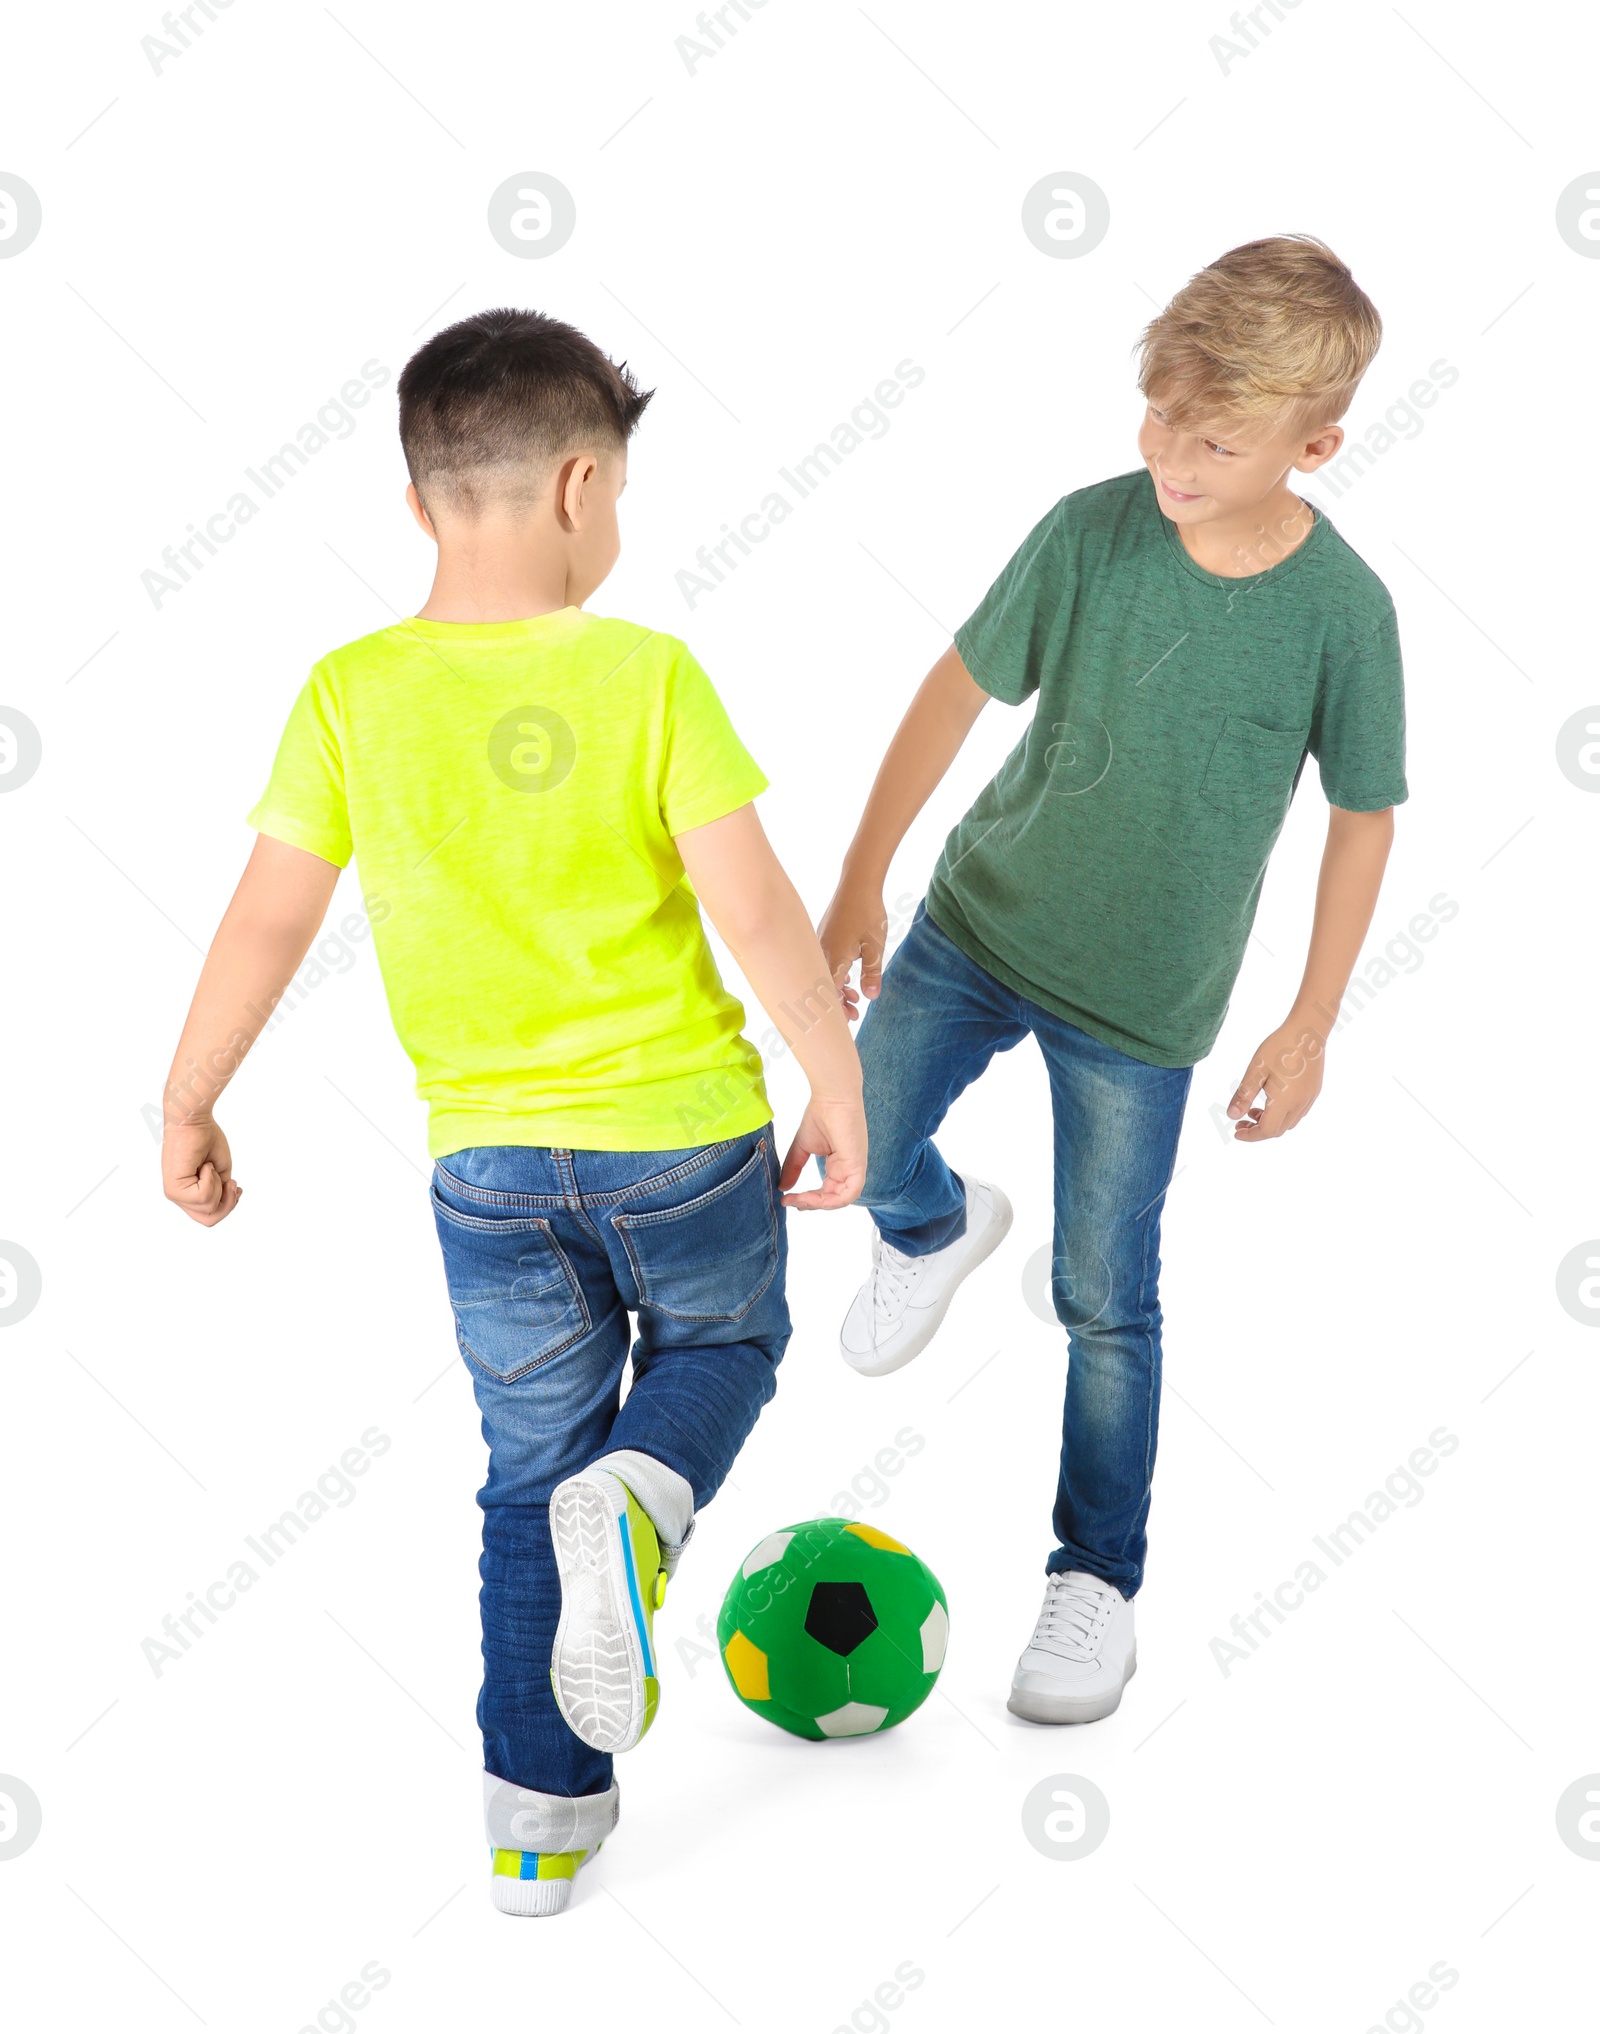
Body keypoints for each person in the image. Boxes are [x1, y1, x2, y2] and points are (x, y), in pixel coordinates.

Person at [159, 308, 866, 1914]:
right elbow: (755, 911)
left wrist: (190, 1098)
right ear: (577, 485)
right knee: (723, 1353)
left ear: (421, 504)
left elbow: (266, 917)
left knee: (520, 1471)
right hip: (680, 1135)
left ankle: (539, 1825)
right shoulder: (645, 673)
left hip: (483, 1171)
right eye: (617, 496)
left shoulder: (350, 692)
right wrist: (843, 1079)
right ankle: (649, 1497)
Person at [818, 236, 1406, 1726]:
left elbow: (1363, 813)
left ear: (1315, 445)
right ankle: (935, 1227)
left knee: (1103, 1295)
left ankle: (1097, 1581)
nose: (1170, 456)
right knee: (855, 1138)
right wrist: (861, 873)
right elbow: (956, 686)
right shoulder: (1090, 532)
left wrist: (1314, 1016)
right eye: (1158, 418)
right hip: (977, 923)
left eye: (1212, 439)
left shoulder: (1346, 612)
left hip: (1145, 1014)